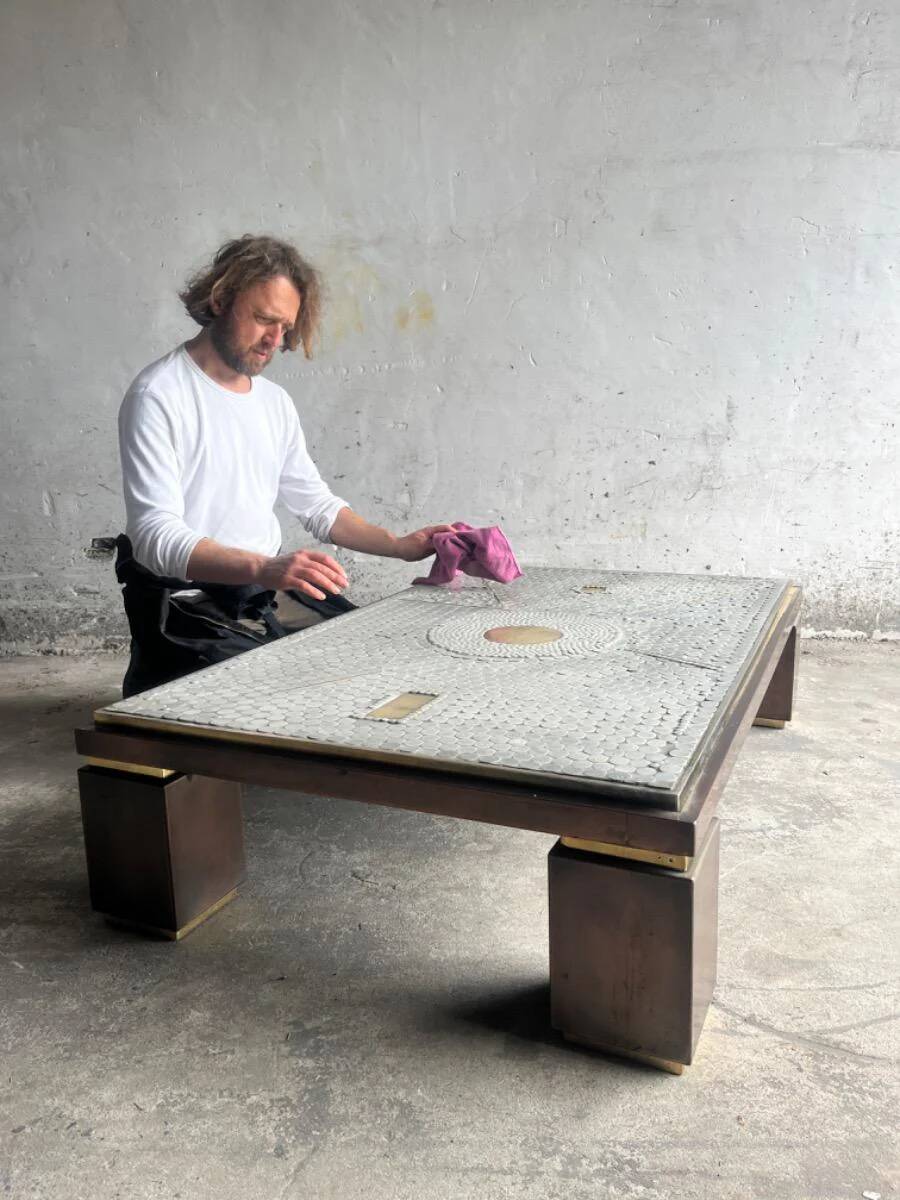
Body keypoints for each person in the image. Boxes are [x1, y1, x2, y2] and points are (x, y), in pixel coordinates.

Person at [116, 234, 453, 697]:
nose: (275, 340)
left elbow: (316, 505)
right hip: (184, 606)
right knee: (300, 695)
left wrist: (398, 545)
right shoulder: (158, 395)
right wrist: (264, 567)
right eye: (263, 319)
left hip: (260, 595)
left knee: (373, 662)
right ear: (220, 300)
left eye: (285, 326)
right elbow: (155, 539)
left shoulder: (273, 402)